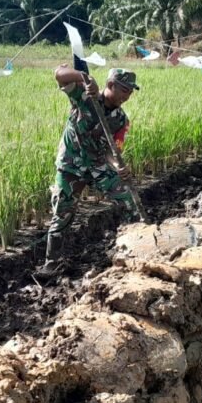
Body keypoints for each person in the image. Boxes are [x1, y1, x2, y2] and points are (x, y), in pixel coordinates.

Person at [36, 67, 142, 277]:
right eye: (124, 90)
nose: (127, 96)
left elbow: (113, 150)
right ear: (110, 85)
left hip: (97, 167)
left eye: (130, 92)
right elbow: (58, 73)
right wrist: (84, 77)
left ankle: (137, 248)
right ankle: (52, 263)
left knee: (130, 199)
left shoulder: (121, 120)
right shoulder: (84, 97)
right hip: (71, 166)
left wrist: (118, 166)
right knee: (62, 214)